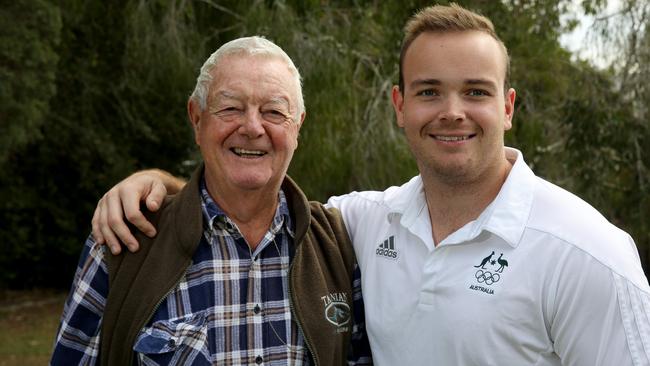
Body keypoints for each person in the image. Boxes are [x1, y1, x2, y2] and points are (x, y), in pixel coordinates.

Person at [90, 4, 650, 365]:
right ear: (400, 106)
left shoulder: (587, 254)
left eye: (476, 92)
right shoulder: (363, 223)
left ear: (507, 108)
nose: (452, 112)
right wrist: (160, 186)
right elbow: (251, 194)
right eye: (429, 91)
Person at [51, 36, 371, 365]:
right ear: (197, 118)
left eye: (273, 111)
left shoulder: (338, 246)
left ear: (297, 127)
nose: (252, 127)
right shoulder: (125, 239)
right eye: (230, 108)